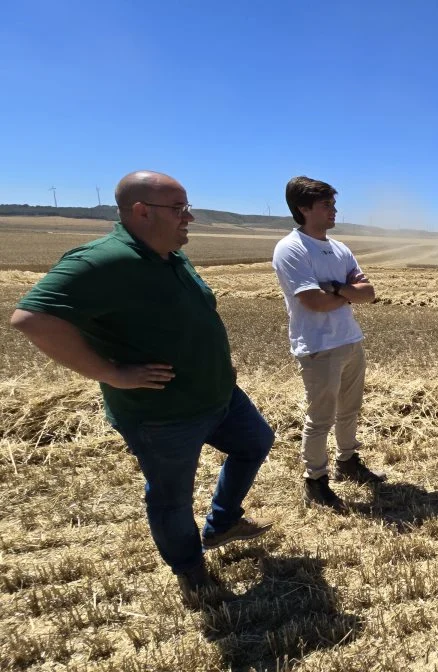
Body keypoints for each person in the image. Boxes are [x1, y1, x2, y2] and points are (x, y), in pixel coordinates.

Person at [9, 171, 274, 607]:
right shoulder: (101, 260)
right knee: (172, 497)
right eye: (179, 208)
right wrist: (112, 373)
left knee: (256, 442)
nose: (189, 217)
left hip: (218, 395)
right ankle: (189, 570)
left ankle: (222, 522)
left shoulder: (173, 255)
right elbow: (32, 319)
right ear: (141, 211)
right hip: (162, 413)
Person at [272, 176, 382, 512]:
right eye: (326, 205)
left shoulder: (339, 248)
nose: (334, 211)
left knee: (349, 409)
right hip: (317, 346)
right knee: (320, 417)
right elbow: (313, 303)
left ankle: (347, 459)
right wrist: (345, 293)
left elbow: (369, 293)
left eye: (333, 204)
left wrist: (333, 288)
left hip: (349, 340)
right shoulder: (291, 249)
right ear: (303, 208)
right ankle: (315, 478)